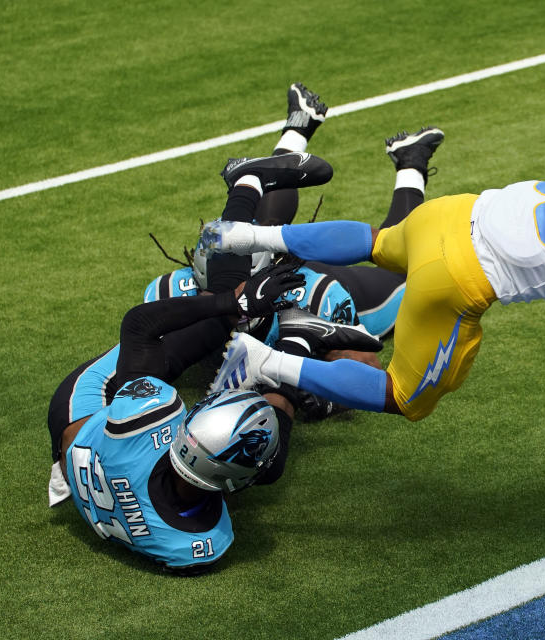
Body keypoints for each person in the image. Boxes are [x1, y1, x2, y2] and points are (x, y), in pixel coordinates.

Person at [200, 134, 545, 421]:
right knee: (404, 395)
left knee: (377, 243)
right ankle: (263, 362)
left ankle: (247, 236)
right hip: (459, 280)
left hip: (456, 214)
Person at [47, 153, 381, 574]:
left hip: (90, 411)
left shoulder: (144, 423)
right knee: (266, 457)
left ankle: (246, 184)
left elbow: (139, 325)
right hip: (126, 463)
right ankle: (294, 338)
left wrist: (233, 302)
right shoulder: (205, 541)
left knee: (224, 317)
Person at [145, 82, 445, 417]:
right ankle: (296, 130)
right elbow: (140, 351)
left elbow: (369, 368)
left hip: (316, 282)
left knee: (402, 272)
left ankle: (411, 165)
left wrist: (317, 394)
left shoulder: (315, 296)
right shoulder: (170, 293)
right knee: (256, 226)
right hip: (275, 264)